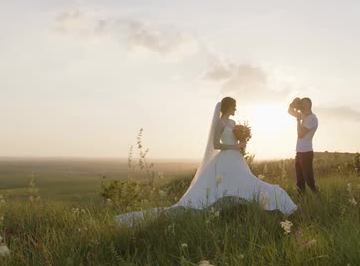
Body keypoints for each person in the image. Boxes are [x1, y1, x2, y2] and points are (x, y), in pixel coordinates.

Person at [115, 97, 297, 227]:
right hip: (226, 159)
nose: (236, 109)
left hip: (237, 159)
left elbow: (236, 140)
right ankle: (235, 210)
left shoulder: (233, 123)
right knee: (231, 187)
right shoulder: (220, 124)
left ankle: (265, 204)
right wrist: (234, 146)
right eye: (234, 106)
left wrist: (242, 142)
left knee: (247, 182)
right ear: (228, 106)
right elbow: (216, 144)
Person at [287, 97, 319, 194]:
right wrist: (293, 104)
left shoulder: (312, 118)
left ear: (308, 105)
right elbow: (289, 111)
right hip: (299, 152)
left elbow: (300, 134)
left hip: (306, 153)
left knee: (309, 181)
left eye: (303, 103)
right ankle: (302, 202)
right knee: (300, 181)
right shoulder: (302, 115)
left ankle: (318, 197)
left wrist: (298, 120)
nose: (301, 105)